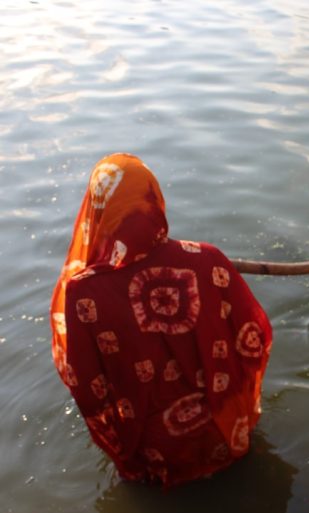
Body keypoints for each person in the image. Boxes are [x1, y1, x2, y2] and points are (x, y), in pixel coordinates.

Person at [49, 153, 272, 487]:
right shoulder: (206, 259)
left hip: (151, 451)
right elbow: (253, 336)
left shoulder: (83, 293)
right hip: (223, 434)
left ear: (96, 210)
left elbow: (84, 383)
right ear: (154, 200)